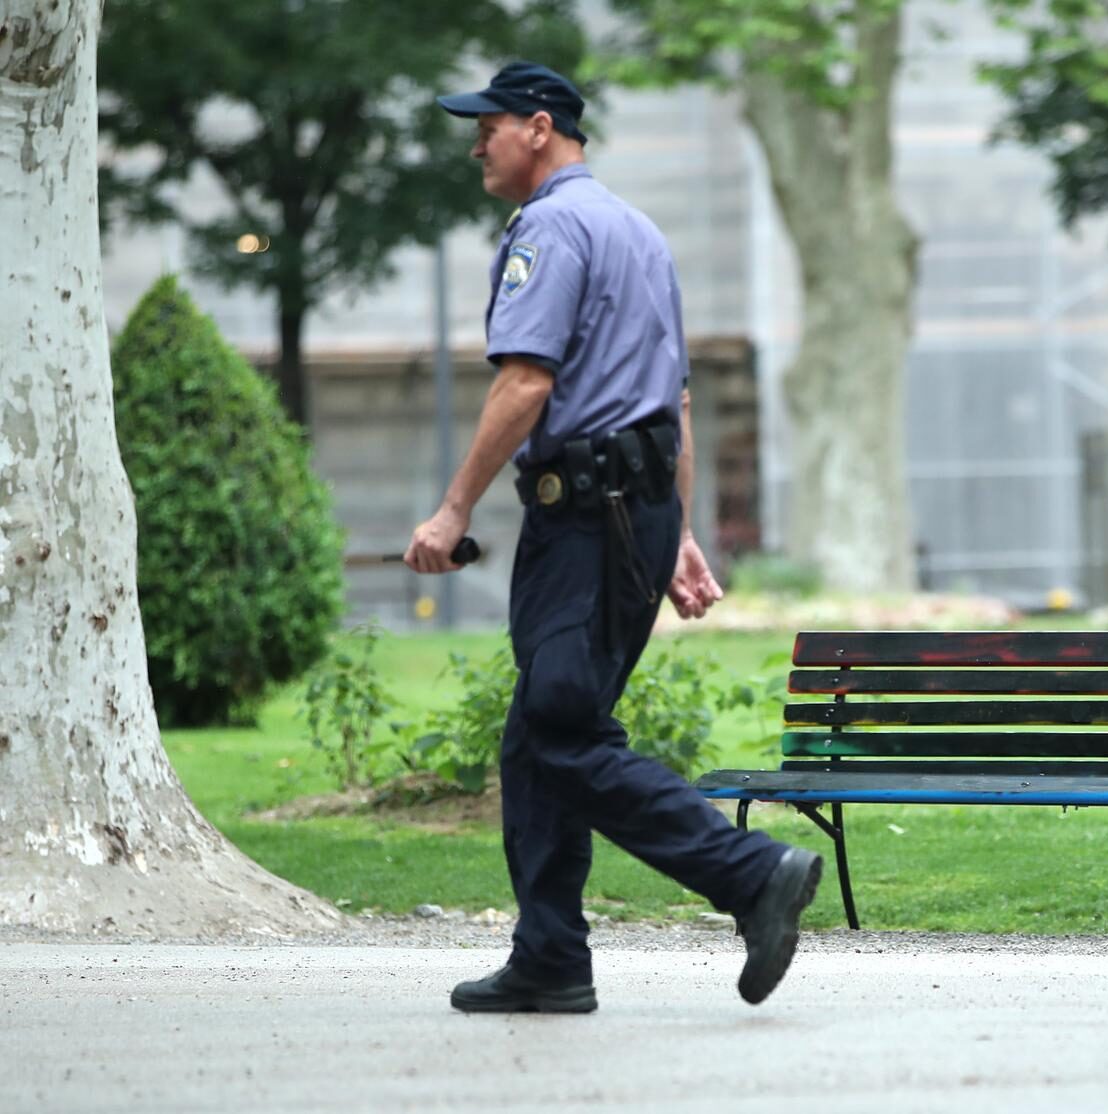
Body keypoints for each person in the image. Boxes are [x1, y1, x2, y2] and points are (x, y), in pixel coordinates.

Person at [406, 61, 821, 1013]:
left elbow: (526, 382)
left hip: (586, 522)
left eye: (490, 126)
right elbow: (669, 398)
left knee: (558, 725)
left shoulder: (549, 229)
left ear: (539, 127)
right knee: (534, 740)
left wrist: (454, 507)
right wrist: (676, 530)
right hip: (633, 514)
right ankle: (550, 957)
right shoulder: (637, 231)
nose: (477, 143)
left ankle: (747, 871)